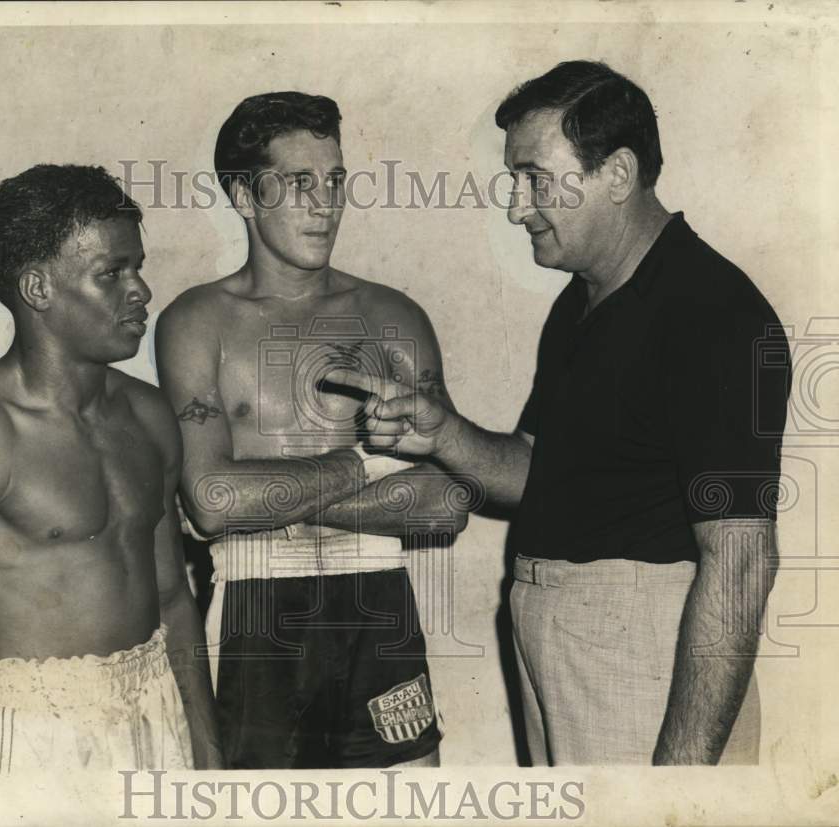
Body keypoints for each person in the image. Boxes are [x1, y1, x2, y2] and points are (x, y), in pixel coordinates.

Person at [328, 61, 791, 765]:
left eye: (535, 178)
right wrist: (445, 433)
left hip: (643, 656)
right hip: (564, 650)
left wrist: (680, 784)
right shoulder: (582, 304)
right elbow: (541, 473)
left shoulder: (712, 313)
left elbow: (741, 558)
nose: (517, 207)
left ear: (618, 172)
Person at [156, 91, 468, 769]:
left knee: (408, 804)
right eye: (298, 184)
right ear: (243, 195)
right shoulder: (195, 323)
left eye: (333, 182)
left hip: (378, 599)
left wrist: (262, 498)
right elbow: (211, 503)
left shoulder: (393, 317)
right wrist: (369, 466)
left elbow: (448, 500)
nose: (323, 205)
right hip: (252, 605)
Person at [0, 164, 221, 773]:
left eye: (139, 267)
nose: (141, 291)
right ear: (38, 289)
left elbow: (174, 600)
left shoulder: (150, 415)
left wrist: (208, 763)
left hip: (160, 722)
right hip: (36, 746)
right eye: (111, 274)